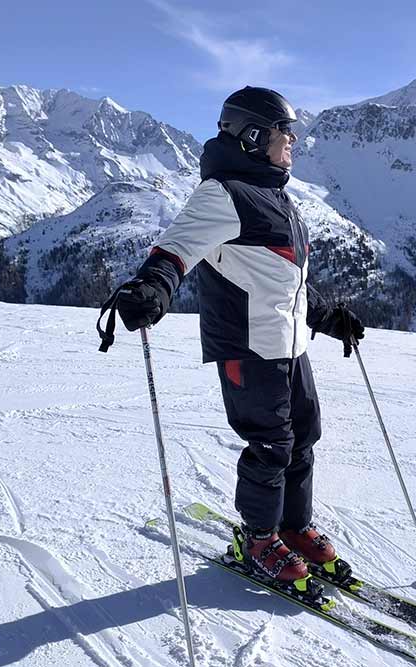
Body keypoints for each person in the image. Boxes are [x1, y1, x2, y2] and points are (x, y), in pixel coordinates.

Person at [110, 87, 364, 589]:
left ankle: (292, 526)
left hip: (290, 345)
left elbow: (283, 277)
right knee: (270, 445)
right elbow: (176, 248)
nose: (292, 141)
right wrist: (153, 287)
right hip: (249, 346)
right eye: (282, 133)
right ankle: (259, 537)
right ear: (252, 136)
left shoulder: (277, 197)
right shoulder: (222, 193)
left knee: (303, 438)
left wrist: (326, 316)